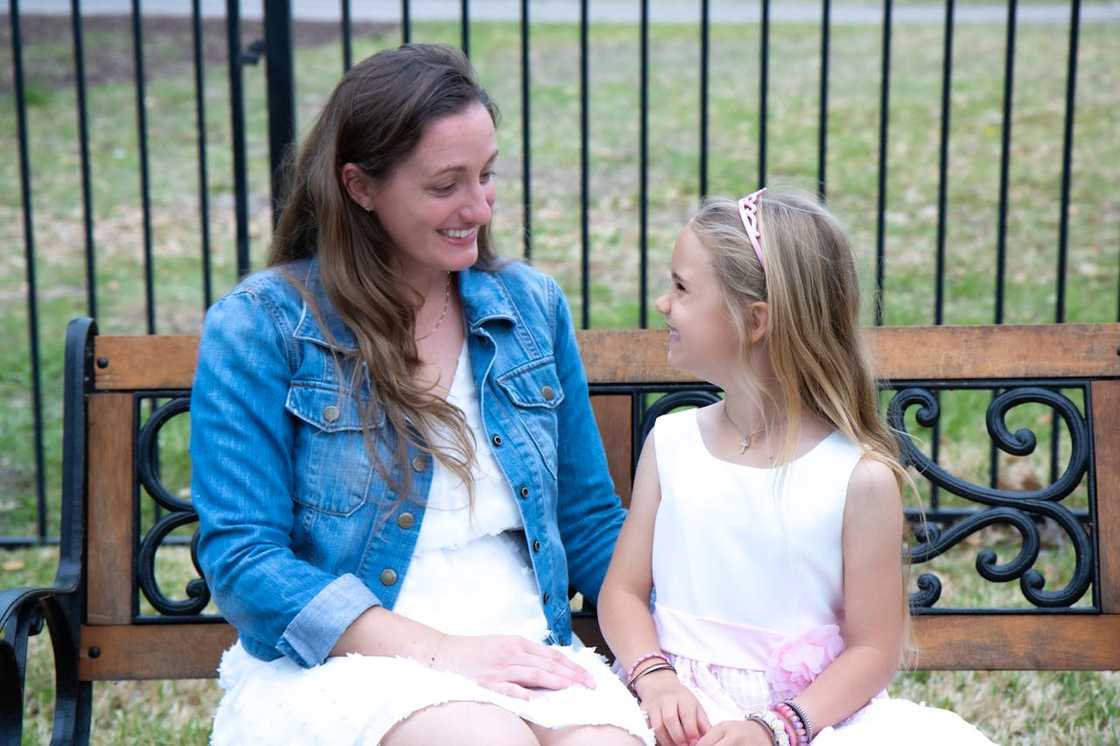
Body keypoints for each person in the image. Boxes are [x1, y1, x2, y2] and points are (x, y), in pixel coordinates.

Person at [189, 43, 651, 746]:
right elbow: (245, 559)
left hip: (524, 641)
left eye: (487, 175)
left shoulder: (529, 307)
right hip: (346, 659)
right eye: (445, 186)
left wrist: (669, 652)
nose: (478, 206)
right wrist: (443, 652)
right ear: (361, 186)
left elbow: (585, 519)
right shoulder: (263, 325)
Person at [597, 188, 996, 746]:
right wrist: (654, 677)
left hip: (803, 720)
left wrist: (777, 727)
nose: (664, 303)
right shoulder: (671, 442)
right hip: (676, 710)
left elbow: (874, 649)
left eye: (682, 287)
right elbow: (622, 592)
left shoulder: (858, 478)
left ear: (754, 320)